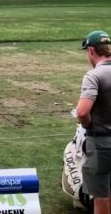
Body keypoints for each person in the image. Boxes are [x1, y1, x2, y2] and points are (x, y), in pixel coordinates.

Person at [76, 30, 111, 214]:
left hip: (101, 143)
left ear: (91, 50)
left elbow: (82, 112)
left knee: (101, 195)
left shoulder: (94, 76)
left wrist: (88, 124)